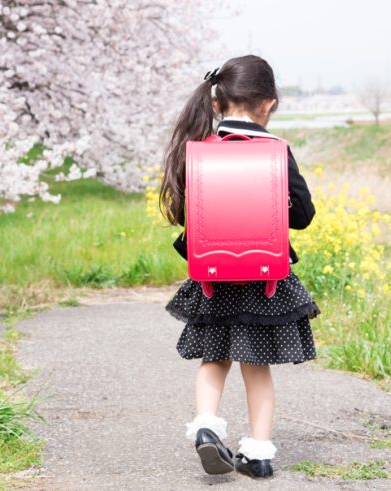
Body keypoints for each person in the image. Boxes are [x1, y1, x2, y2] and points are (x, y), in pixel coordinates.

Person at [159, 55, 320, 479]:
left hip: (213, 279)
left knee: (213, 361)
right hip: (264, 279)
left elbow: (186, 215)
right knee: (257, 367)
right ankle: (259, 454)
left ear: (216, 104)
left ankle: (207, 427)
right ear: (269, 104)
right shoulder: (276, 152)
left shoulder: (199, 152)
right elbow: (303, 215)